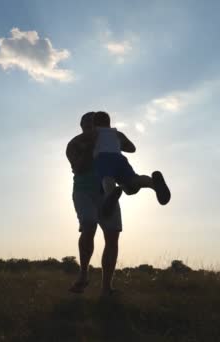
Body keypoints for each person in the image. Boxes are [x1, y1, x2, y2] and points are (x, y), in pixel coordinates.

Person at [65, 112, 126, 296]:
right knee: (89, 225)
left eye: (96, 124)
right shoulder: (74, 144)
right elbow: (79, 167)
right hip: (84, 192)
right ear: (83, 126)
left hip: (107, 192)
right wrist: (92, 144)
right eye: (89, 124)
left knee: (112, 236)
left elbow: (125, 152)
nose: (94, 127)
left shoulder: (108, 140)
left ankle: (107, 288)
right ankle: (83, 274)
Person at [92, 111, 171, 217]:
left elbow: (85, 145)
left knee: (107, 178)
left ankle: (110, 196)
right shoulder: (117, 133)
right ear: (109, 122)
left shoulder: (94, 133)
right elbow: (132, 148)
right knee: (133, 181)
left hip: (103, 158)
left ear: (94, 123)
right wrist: (119, 145)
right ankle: (153, 184)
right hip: (120, 159)